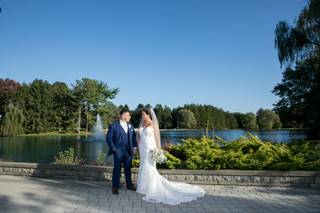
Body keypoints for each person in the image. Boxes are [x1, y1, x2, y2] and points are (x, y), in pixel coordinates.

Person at [136, 108, 205, 205]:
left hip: (150, 148)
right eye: (141, 115)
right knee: (143, 166)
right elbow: (139, 135)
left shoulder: (152, 124)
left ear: (149, 114)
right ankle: (143, 187)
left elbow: (157, 137)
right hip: (142, 148)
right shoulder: (142, 124)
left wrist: (158, 150)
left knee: (150, 167)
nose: (142, 116)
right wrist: (138, 145)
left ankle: (151, 187)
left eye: (144, 114)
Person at [106, 109, 137, 194]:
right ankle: (115, 187)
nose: (129, 117)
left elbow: (133, 137)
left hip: (128, 151)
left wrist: (134, 147)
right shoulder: (114, 126)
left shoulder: (130, 125)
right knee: (117, 169)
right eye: (128, 115)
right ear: (122, 116)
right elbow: (109, 138)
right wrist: (113, 148)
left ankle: (129, 185)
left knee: (128, 168)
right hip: (118, 151)